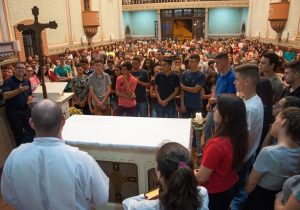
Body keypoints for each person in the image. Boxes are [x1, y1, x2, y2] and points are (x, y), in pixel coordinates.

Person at [1, 99, 109, 210]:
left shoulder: (14, 157)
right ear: (63, 120)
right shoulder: (82, 160)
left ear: (31, 123)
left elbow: (9, 197)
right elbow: (102, 198)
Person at [194, 94, 248, 210]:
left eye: (217, 108)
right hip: (228, 185)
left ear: (227, 117)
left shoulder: (217, 144)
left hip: (214, 191)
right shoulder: (239, 135)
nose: (213, 110)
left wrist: (189, 173)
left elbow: (202, 178)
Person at [123, 142, 209, 210]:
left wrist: (153, 193)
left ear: (160, 174)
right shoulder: (202, 193)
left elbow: (127, 203)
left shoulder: (149, 206)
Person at [245, 107, 300, 210]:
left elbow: (251, 183)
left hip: (260, 197)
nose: (272, 124)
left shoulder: (269, 153)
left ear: (283, 122)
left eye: (275, 120)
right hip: (281, 196)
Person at [231, 64, 264, 210]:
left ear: (247, 82)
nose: (234, 82)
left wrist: (238, 159)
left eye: (237, 79)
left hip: (243, 156)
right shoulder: (254, 100)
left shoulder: (250, 107)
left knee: (238, 190)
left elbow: (246, 138)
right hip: (248, 154)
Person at [204, 52, 236, 141]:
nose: (215, 65)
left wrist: (213, 100)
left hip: (223, 108)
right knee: (208, 128)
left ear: (225, 62)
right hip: (214, 105)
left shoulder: (232, 77)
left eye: (217, 63)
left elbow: (230, 97)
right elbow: (215, 88)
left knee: (217, 131)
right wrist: (209, 101)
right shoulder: (219, 74)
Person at [2, 62, 35, 146]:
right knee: (19, 135)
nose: (21, 69)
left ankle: (31, 151)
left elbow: (30, 94)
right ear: (14, 69)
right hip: (14, 113)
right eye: (18, 68)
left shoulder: (27, 81)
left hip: (26, 111)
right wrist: (18, 90)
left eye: (22, 68)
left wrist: (29, 100)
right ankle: (21, 155)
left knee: (32, 131)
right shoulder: (8, 81)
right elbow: (5, 95)